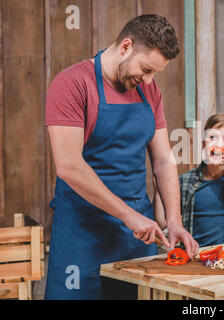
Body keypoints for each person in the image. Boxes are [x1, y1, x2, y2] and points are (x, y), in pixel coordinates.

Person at [45, 14, 199, 300]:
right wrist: (129, 216)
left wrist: (174, 221)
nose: (149, 80)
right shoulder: (71, 84)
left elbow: (163, 160)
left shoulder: (148, 90)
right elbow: (69, 166)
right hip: (81, 235)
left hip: (137, 237)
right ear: (126, 46)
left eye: (155, 73)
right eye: (146, 69)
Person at [154, 114, 224, 247]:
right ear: (204, 143)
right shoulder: (186, 180)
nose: (218, 144)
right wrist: (159, 189)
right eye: (212, 137)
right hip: (195, 256)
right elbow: (162, 222)